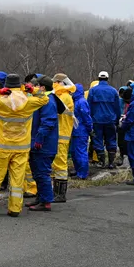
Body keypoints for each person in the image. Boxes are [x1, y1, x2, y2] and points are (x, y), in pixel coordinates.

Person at [0, 74, 48, 216]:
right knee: (17, 179)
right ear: (20, 85)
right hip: (21, 147)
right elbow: (45, 98)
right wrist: (32, 90)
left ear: (6, 85)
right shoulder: (28, 102)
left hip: (1, 147)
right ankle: (15, 208)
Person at [27, 76, 61, 212]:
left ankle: (46, 201)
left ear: (42, 87)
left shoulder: (48, 101)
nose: (35, 88)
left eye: (37, 86)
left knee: (42, 173)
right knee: (37, 173)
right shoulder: (44, 99)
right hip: (39, 143)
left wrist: (39, 139)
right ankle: (40, 198)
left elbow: (47, 122)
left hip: (44, 145)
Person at [51, 74, 76, 203]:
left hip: (61, 136)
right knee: (56, 164)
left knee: (60, 164)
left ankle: (60, 194)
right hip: (60, 135)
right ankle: (55, 192)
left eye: (55, 82)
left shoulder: (64, 96)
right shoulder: (63, 95)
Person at [89, 71, 122, 168]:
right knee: (111, 140)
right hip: (110, 120)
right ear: (107, 79)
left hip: (97, 120)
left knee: (98, 140)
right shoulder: (113, 91)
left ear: (98, 78)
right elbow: (117, 108)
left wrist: (90, 119)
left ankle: (101, 162)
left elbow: (89, 106)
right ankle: (111, 163)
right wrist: (117, 120)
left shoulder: (93, 91)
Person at [69, 83, 93, 180]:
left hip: (81, 131)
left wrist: (90, 129)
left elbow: (86, 117)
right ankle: (78, 170)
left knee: (80, 152)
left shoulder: (81, 102)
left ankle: (82, 174)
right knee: (74, 152)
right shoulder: (76, 101)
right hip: (76, 131)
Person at [117, 83, 134, 168]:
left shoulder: (132, 102)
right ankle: (122, 155)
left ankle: (127, 157)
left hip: (128, 123)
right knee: (121, 141)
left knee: (127, 142)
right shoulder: (119, 101)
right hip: (121, 123)